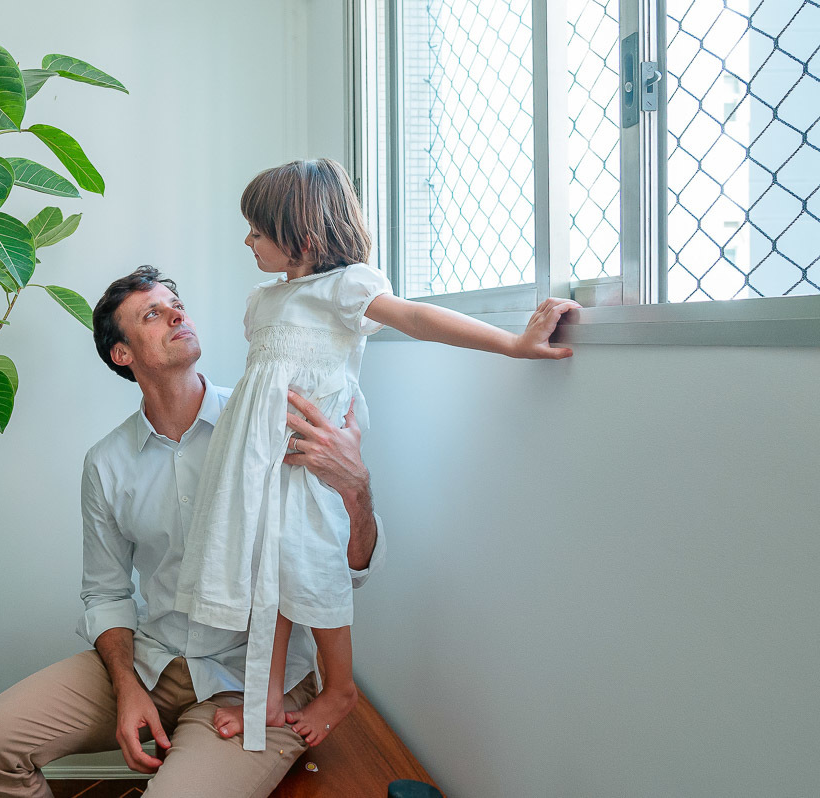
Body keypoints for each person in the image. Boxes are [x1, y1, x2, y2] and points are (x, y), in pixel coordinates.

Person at [173, 158, 580, 752]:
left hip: (312, 457)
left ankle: (340, 688)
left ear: (303, 240)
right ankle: (265, 692)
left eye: (258, 231)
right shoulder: (264, 301)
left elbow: (416, 317)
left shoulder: (346, 287)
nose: (247, 240)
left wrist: (513, 344)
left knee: (312, 563)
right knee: (270, 560)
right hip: (263, 458)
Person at [0, 266, 387, 798]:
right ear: (123, 354)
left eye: (176, 304)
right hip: (152, 659)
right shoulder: (107, 464)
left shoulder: (270, 418)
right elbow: (106, 593)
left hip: (253, 680)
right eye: (152, 314)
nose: (177, 314)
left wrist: (357, 487)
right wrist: (128, 687)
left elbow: (349, 569)